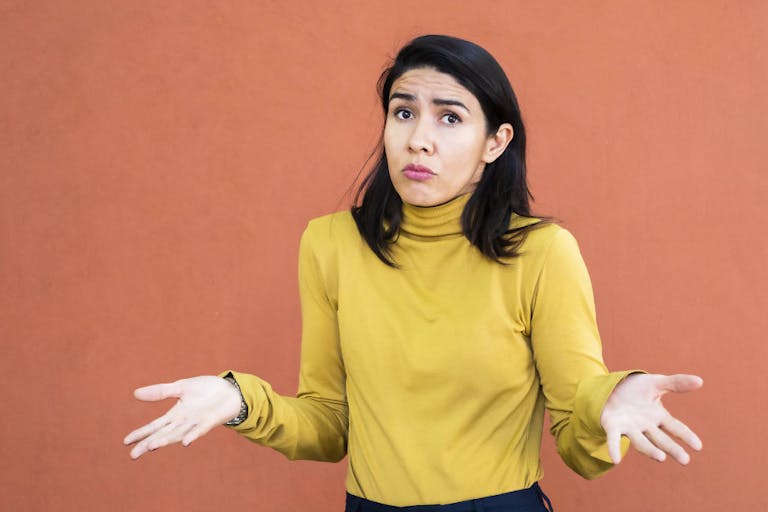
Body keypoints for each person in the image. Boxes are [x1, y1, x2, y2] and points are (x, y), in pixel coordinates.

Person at [124, 35, 702, 511]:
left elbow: (577, 433)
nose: (418, 139)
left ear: (495, 143)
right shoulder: (332, 244)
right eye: (403, 112)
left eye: (450, 118)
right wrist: (238, 400)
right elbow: (328, 427)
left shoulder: (542, 253)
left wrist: (607, 406)